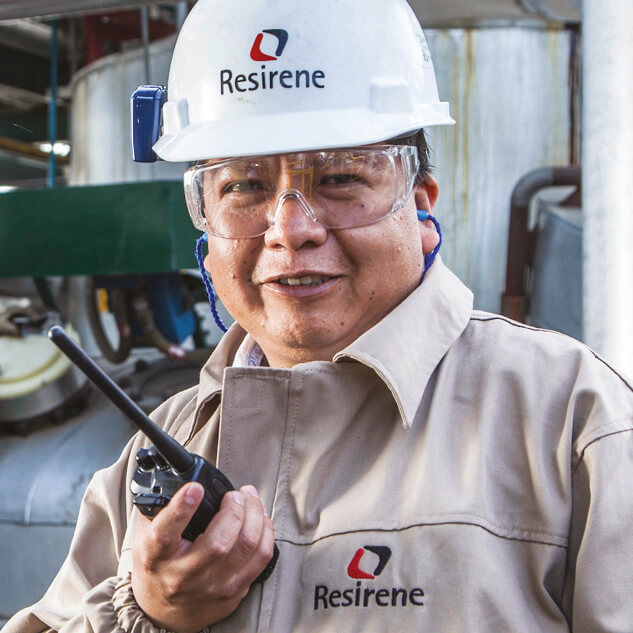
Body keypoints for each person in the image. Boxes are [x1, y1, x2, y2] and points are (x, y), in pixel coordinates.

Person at [4, 0, 633, 631]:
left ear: (419, 207)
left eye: (339, 178)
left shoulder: (570, 420)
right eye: (243, 186)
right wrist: (147, 614)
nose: (290, 229)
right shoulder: (160, 450)